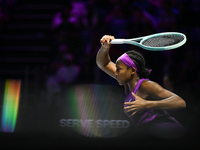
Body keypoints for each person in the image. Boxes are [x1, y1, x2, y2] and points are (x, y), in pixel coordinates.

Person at [96, 35, 186, 139]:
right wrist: (105, 47)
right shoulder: (127, 84)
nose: (115, 73)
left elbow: (180, 102)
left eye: (119, 69)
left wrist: (147, 104)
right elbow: (104, 63)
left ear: (132, 71)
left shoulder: (145, 85)